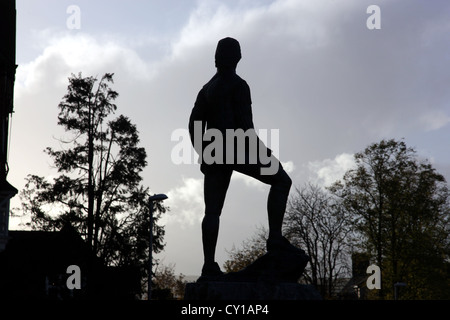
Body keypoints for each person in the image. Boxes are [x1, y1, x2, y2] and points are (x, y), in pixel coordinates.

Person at [189, 37, 300, 278]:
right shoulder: (239, 85)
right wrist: (263, 153)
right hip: (237, 147)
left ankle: (209, 264)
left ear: (216, 58)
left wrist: (204, 153)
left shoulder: (206, 88)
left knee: (212, 211)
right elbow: (246, 128)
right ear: (237, 58)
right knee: (282, 181)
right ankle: (274, 238)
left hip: (215, 151)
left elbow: (194, 124)